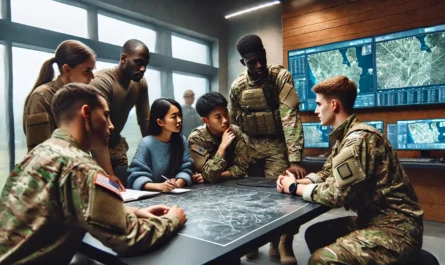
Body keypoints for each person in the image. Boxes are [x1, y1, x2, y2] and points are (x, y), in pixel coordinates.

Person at [0, 83, 187, 265]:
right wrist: (172, 220)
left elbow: (68, 204)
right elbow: (129, 239)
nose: (111, 126)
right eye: (106, 115)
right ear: (87, 113)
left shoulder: (40, 153)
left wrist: (135, 211)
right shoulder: (80, 167)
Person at [277, 76, 423, 265]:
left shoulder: (357, 141)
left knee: (320, 260)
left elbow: (337, 195)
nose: (315, 111)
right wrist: (294, 181)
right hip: (373, 219)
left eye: (319, 104)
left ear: (334, 105)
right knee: (317, 233)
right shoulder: (345, 138)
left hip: (396, 230)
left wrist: (293, 188)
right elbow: (327, 174)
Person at [229, 33, 303, 264]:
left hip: (276, 146)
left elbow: (290, 117)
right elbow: (233, 120)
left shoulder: (280, 77)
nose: (259, 65)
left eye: (261, 58)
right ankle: (253, 241)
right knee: (251, 199)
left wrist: (295, 158)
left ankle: (281, 243)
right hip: (250, 146)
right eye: (252, 62)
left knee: (282, 197)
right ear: (243, 62)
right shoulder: (238, 86)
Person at [90, 39, 151, 188]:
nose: (143, 68)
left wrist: (153, 154)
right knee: (108, 189)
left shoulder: (140, 83)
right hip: (92, 146)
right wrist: (109, 176)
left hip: (115, 143)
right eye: (138, 62)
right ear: (123, 59)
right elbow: (98, 131)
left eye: (145, 65)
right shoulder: (102, 82)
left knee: (126, 183)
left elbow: (145, 120)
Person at [23, 40, 96, 152]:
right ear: (67, 70)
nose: (92, 76)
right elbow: (40, 153)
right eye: (87, 70)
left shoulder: (82, 97)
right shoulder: (41, 97)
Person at [127, 98, 193, 192]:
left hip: (176, 194)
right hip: (152, 197)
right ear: (160, 122)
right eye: (173, 117)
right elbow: (136, 176)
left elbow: (187, 168)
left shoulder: (181, 140)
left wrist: (177, 183)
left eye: (179, 115)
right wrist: (160, 186)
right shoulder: (146, 143)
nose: (179, 120)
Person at [188, 92, 250, 184]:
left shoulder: (235, 131)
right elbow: (208, 174)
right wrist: (222, 147)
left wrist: (217, 176)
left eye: (226, 113)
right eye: (218, 117)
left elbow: (242, 169)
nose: (225, 120)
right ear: (205, 120)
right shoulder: (197, 139)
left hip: (234, 184)